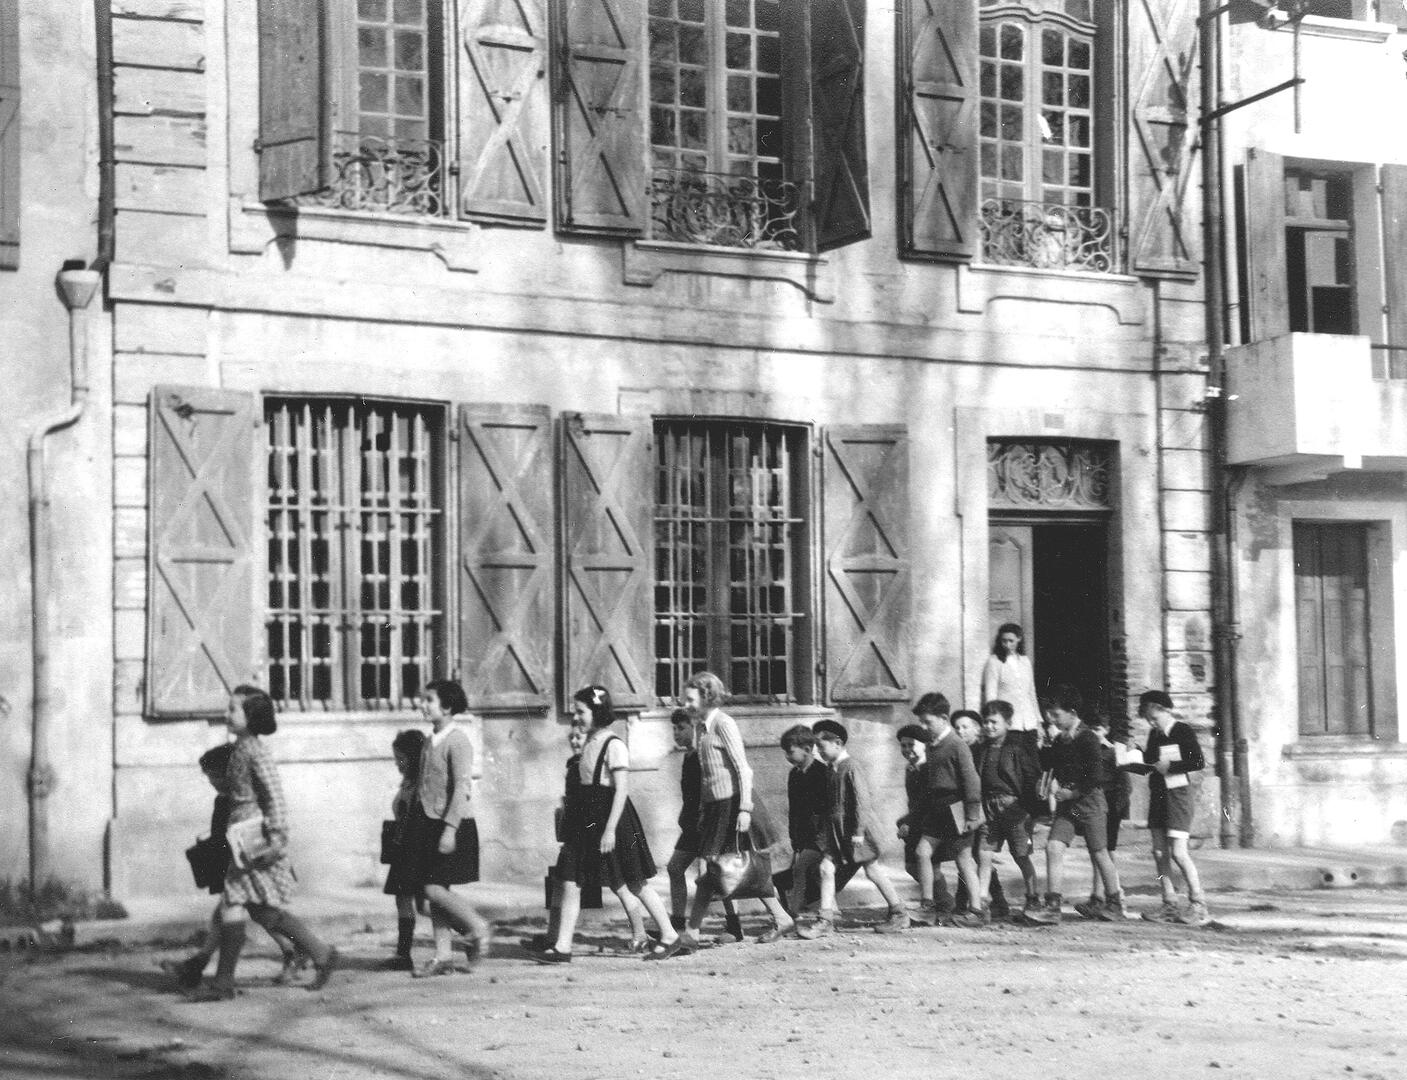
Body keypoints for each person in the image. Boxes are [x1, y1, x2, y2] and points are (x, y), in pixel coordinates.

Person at [190, 686, 338, 1001]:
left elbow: (275, 797)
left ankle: (224, 983)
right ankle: (321, 954)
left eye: (233, 709)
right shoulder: (241, 748)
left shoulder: (256, 752)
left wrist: (277, 839)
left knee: (238, 903)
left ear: (251, 716)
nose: (226, 714)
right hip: (242, 836)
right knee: (260, 909)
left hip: (256, 839)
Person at [534, 685, 679, 964]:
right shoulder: (589, 743)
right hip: (586, 820)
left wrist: (610, 830)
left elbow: (621, 790)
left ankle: (670, 935)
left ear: (597, 712)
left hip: (612, 820)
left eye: (581, 712)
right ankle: (562, 946)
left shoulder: (614, 745)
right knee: (570, 880)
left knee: (634, 882)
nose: (576, 717)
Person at [660, 672, 795, 956]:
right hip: (714, 808)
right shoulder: (702, 728)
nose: (686, 704)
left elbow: (743, 769)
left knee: (722, 868)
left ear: (707, 697)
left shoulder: (724, 724)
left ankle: (691, 934)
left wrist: (744, 808)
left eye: (690, 699)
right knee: (719, 869)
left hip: (731, 805)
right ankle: (780, 917)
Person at [164, 743, 302, 993]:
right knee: (238, 914)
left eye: (215, 775)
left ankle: (298, 951)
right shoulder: (226, 800)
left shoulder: (243, 800)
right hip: (238, 868)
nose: (212, 782)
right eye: (209, 777)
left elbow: (255, 835)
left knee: (262, 915)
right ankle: (199, 965)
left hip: (253, 869)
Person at [406, 679, 493, 977]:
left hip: (452, 825)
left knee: (433, 889)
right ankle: (443, 956)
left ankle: (477, 926)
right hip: (428, 825)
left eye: (429, 700)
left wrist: (449, 829)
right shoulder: (430, 740)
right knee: (434, 892)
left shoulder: (457, 741)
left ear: (447, 706)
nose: (422, 705)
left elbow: (461, 789)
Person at [799, 718, 909, 937]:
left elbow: (861, 801)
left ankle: (899, 913)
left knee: (872, 870)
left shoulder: (851, 767)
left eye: (821, 746)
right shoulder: (832, 768)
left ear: (838, 743)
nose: (818, 751)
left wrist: (858, 833)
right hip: (838, 832)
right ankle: (826, 920)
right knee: (826, 869)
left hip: (856, 832)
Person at [1025, 684, 1124, 926]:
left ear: (1072, 712)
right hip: (1069, 806)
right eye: (1050, 714)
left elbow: (1096, 776)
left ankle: (1114, 902)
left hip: (1088, 803)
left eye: (1056, 714)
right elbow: (1050, 765)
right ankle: (1053, 906)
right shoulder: (1060, 739)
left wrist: (1072, 793)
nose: (1052, 719)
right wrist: (1044, 747)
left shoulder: (1088, 738)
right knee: (1053, 846)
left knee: (1099, 852)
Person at [665, 709, 743, 943]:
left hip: (709, 821)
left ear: (695, 728)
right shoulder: (689, 756)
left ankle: (734, 926)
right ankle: (677, 924)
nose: (676, 733)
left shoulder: (703, 755)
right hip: (692, 824)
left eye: (681, 728)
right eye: (674, 728)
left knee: (720, 872)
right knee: (675, 868)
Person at [911, 694, 986, 927]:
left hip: (957, 806)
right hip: (937, 808)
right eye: (922, 722)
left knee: (963, 860)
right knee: (922, 852)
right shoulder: (931, 745)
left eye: (928, 722)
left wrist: (972, 814)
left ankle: (976, 911)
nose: (924, 727)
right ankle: (927, 906)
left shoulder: (957, 745)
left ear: (944, 719)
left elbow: (971, 780)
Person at [1139, 690, 1211, 927]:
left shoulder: (1182, 730)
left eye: (1154, 718)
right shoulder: (1154, 733)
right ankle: (1169, 902)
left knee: (1179, 853)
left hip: (1178, 795)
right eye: (1148, 720)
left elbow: (1197, 761)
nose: (1152, 723)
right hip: (1159, 794)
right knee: (1159, 852)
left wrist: (1170, 766)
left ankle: (1198, 903)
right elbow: (1150, 760)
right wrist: (1138, 756)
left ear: (1166, 710)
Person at [974, 701, 1042, 922]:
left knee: (1021, 854)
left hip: (1013, 807)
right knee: (984, 854)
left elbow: (1031, 779)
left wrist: (1028, 810)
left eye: (994, 722)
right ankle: (981, 903)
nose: (989, 726)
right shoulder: (982, 749)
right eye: (986, 722)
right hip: (988, 807)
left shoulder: (1018, 749)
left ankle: (1032, 899)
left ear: (1008, 723)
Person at [1074, 713, 1132, 919]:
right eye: (1091, 730)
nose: (1094, 733)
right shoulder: (1087, 751)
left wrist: (1120, 810)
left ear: (1106, 730)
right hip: (1094, 806)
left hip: (1111, 807)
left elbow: (1125, 785)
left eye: (1098, 729)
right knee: (1096, 851)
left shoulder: (1114, 752)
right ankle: (1097, 898)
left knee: (1105, 852)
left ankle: (1114, 898)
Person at [383, 728, 427, 970]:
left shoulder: (421, 785)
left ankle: (468, 929)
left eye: (400, 758)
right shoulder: (408, 782)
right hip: (403, 848)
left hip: (414, 849)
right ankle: (403, 954)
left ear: (413, 758)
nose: (397, 763)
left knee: (425, 904)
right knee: (404, 900)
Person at [781, 724, 830, 928]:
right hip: (804, 836)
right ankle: (827, 911)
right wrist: (794, 837)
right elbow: (793, 809)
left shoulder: (823, 773)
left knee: (801, 869)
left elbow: (828, 810)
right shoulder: (794, 775)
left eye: (790, 752)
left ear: (808, 749)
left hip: (821, 836)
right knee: (809, 872)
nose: (787, 756)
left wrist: (823, 838)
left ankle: (792, 913)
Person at [981, 624, 1042, 735]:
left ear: (1019, 639)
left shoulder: (1025, 661)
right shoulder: (994, 661)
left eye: (1011, 641)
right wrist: (993, 722)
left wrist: (1038, 722)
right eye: (1004, 641)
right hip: (1009, 724)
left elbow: (1031, 693)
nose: (1007, 645)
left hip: (1030, 722)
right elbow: (991, 695)